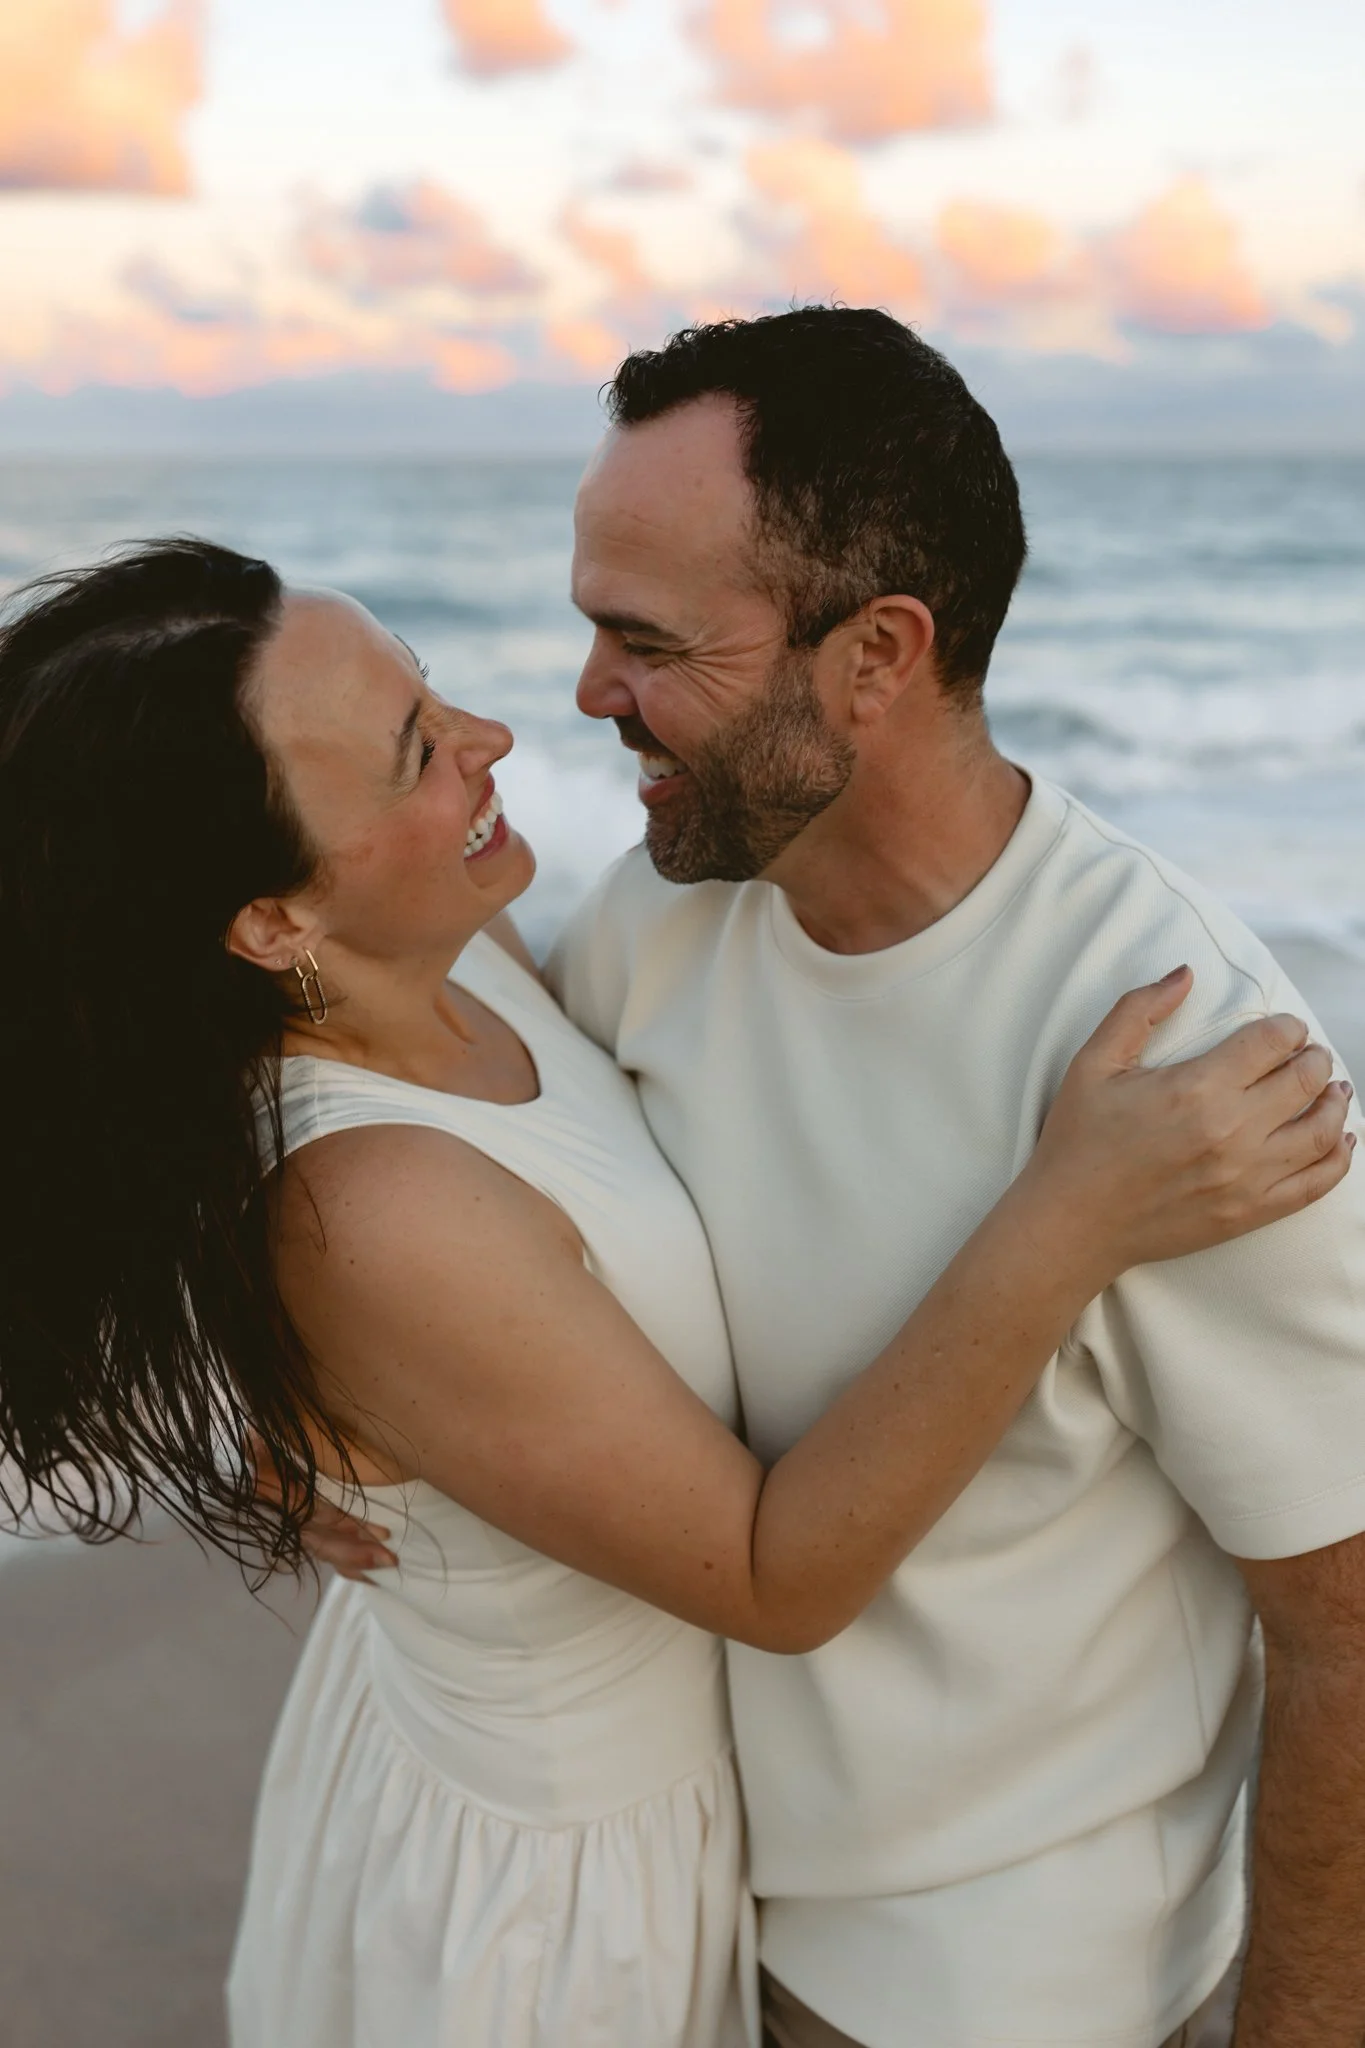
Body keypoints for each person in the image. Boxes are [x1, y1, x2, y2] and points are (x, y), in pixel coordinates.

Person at [0, 541, 1348, 2048]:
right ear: (270, 926)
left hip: (652, 1798)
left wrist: (276, 1395)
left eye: (432, 691)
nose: (491, 740)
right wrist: (1073, 1210)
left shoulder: (462, 954)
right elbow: (778, 1580)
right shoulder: (367, 1201)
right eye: (414, 755)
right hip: (555, 1894)